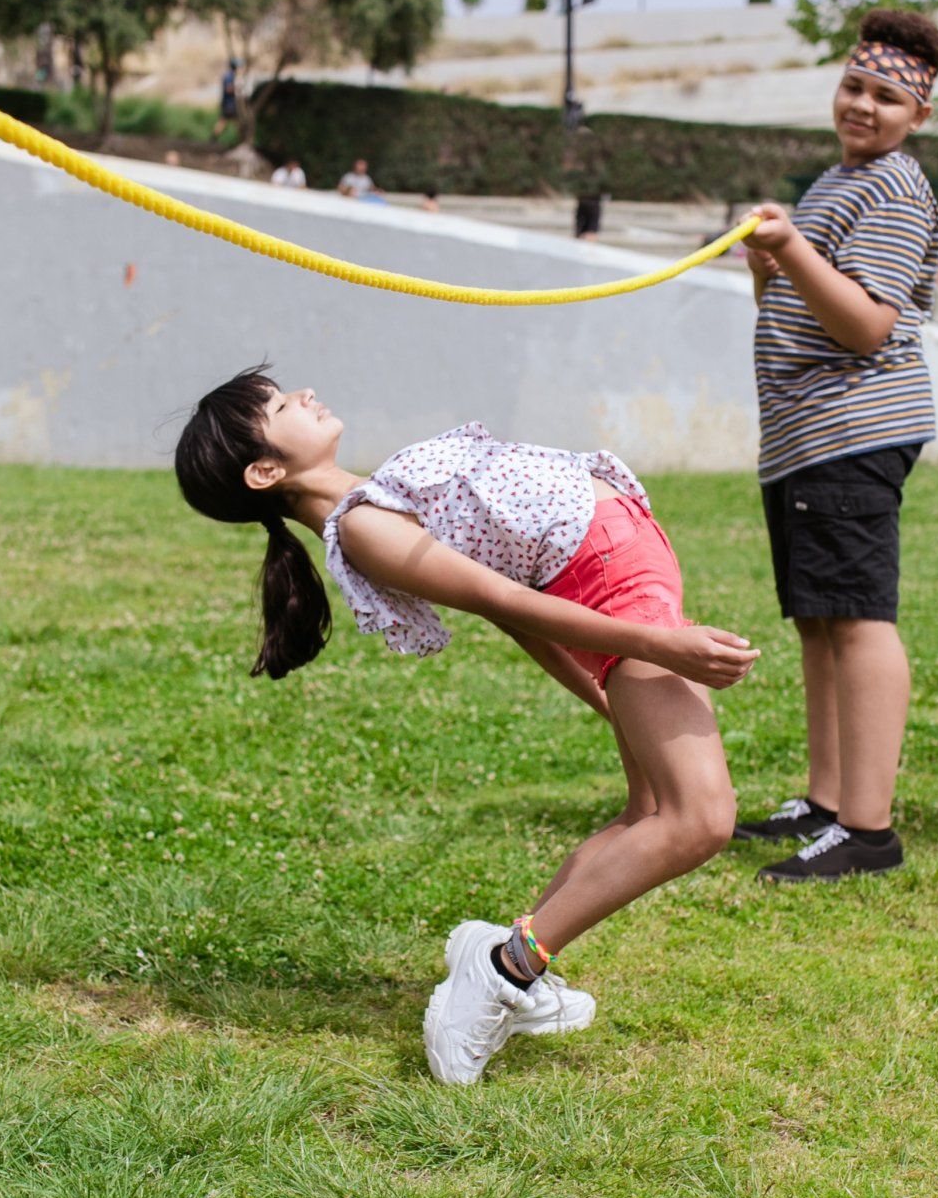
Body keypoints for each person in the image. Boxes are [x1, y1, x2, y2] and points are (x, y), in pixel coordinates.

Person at [174, 373, 757, 1085]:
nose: (304, 392)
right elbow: (504, 598)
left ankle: (506, 955)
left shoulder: (377, 497)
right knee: (699, 821)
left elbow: (512, 610)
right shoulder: (362, 527)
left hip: (620, 586)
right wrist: (653, 645)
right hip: (618, 594)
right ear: (265, 471)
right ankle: (506, 967)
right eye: (279, 405)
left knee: (653, 813)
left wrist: (605, 693)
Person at [734, 5, 938, 882]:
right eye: (854, 85)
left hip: (853, 430)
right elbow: (794, 313)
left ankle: (868, 830)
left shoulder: (895, 188)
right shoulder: (837, 180)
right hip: (803, 437)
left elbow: (865, 326)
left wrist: (792, 249)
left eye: (886, 96)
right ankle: (825, 804)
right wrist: (770, 266)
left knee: (859, 618)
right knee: (819, 619)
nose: (863, 105)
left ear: (918, 117)